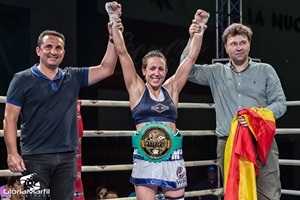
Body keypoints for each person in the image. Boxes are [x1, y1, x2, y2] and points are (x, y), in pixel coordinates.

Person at [3, 11, 123, 200]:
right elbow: (10, 118)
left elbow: (106, 69)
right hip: (34, 158)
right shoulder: (22, 79)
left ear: (64, 52)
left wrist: (112, 36)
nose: (53, 51)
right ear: (38, 51)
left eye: (58, 48)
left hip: (67, 158)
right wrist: (12, 153)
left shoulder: (72, 76)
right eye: (48, 47)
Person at [106, 1, 210, 199]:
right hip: (145, 157)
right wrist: (114, 18)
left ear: (166, 71)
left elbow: (190, 59)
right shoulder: (136, 89)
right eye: (152, 69)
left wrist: (200, 28)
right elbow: (122, 53)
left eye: (161, 69)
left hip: (173, 156)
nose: (156, 73)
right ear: (144, 71)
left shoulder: (172, 88)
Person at [181, 23, 287, 199]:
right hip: (229, 142)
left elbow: (280, 103)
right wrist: (193, 38)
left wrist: (255, 117)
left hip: (261, 139)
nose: (239, 47)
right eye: (234, 44)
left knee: (269, 193)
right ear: (226, 48)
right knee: (235, 193)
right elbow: (188, 70)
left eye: (243, 42)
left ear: (249, 45)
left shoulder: (266, 70)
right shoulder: (215, 72)